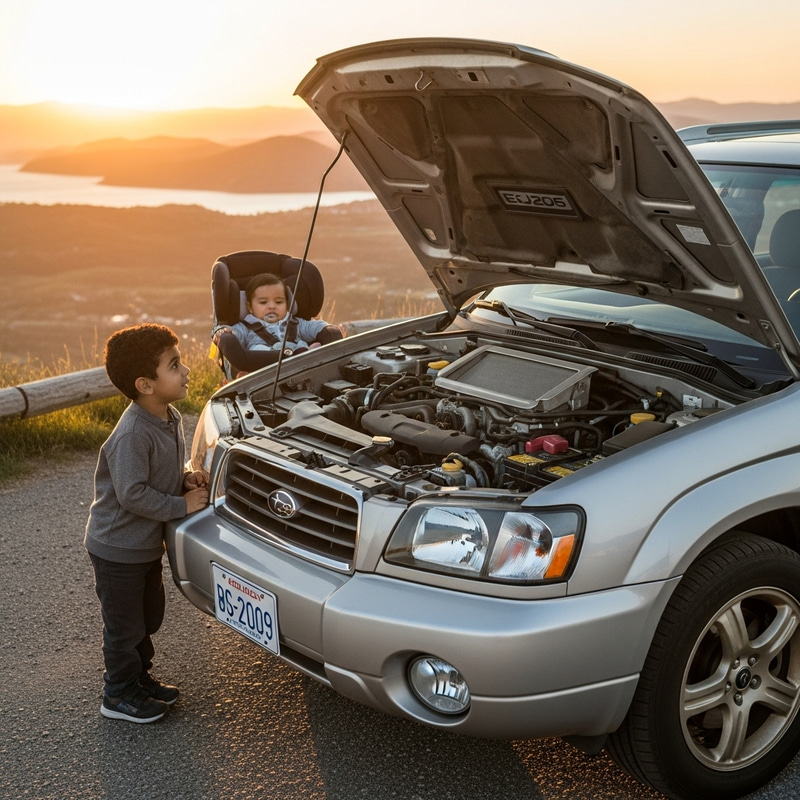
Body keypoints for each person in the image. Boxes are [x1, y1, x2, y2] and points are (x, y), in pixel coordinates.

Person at [84, 323, 210, 724]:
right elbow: (132, 494)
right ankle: (118, 693)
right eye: (174, 365)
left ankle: (139, 678)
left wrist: (185, 479)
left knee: (148, 616)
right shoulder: (133, 434)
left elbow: (162, 471)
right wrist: (181, 505)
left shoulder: (168, 417)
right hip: (117, 547)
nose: (186, 370)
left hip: (143, 545)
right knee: (124, 627)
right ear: (145, 384)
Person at [213, 272, 342, 375]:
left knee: (311, 346)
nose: (272, 306)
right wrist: (223, 332)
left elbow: (314, 326)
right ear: (250, 307)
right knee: (258, 349)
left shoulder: (295, 323)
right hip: (265, 371)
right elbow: (232, 334)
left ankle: (308, 354)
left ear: (287, 305)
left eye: (279, 302)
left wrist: (328, 329)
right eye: (263, 302)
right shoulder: (245, 328)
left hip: (300, 366)